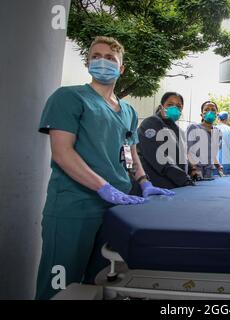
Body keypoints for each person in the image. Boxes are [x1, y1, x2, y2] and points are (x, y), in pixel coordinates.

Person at [35, 36, 174, 300]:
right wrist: (103, 187)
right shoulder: (69, 97)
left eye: (110, 58)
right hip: (74, 207)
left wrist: (144, 182)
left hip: (115, 210)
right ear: (88, 62)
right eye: (96, 56)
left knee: (101, 283)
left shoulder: (129, 111)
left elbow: (131, 152)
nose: (102, 61)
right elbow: (62, 153)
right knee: (60, 287)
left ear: (121, 69)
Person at [137, 92, 194, 189]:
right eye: (170, 105)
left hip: (175, 187)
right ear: (161, 106)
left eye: (178, 106)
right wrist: (184, 179)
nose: (174, 108)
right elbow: (159, 157)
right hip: (156, 185)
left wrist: (192, 169)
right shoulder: (151, 123)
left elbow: (180, 156)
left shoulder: (178, 130)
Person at [187, 101, 223, 179]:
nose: (210, 112)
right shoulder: (193, 128)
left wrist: (219, 167)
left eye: (213, 110)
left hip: (209, 172)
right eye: (206, 109)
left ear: (217, 114)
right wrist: (194, 169)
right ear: (202, 114)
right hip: (196, 172)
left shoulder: (218, 132)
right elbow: (187, 151)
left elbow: (213, 154)